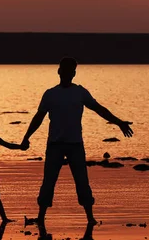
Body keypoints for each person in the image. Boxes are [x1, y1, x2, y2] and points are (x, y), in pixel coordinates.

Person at [21, 57, 133, 224]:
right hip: (55, 145)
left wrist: (119, 122)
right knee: (49, 181)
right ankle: (40, 217)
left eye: (70, 71)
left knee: (82, 181)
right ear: (59, 72)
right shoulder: (50, 94)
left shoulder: (80, 92)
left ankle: (90, 218)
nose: (67, 74)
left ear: (73, 73)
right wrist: (26, 137)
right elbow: (39, 117)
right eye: (64, 70)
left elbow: (99, 109)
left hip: (75, 145)